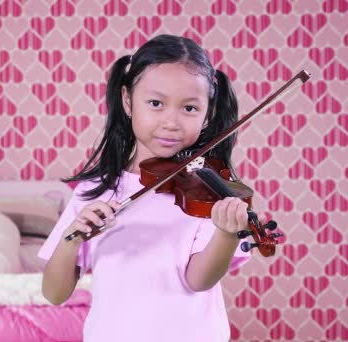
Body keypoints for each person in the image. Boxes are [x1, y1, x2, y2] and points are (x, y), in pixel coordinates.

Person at [38, 34, 256, 342]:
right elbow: (54, 293)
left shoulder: (207, 192)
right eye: (156, 103)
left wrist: (226, 233)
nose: (171, 121)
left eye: (189, 108)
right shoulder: (96, 190)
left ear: (208, 111)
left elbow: (198, 280)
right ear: (128, 101)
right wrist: (72, 239)